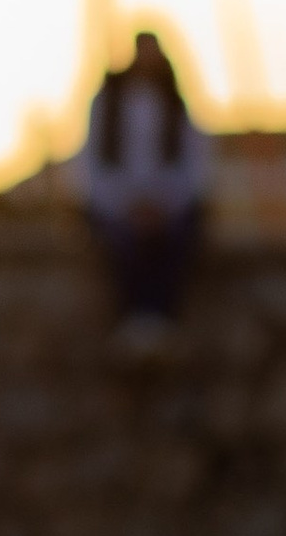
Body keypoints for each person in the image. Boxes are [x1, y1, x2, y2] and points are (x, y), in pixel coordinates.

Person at [68, 27, 211, 350]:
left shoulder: (177, 107)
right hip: (116, 209)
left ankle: (161, 321)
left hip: (169, 210)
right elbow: (91, 167)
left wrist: (162, 205)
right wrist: (128, 206)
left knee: (175, 244)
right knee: (122, 246)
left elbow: (195, 168)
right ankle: (134, 321)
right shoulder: (106, 105)